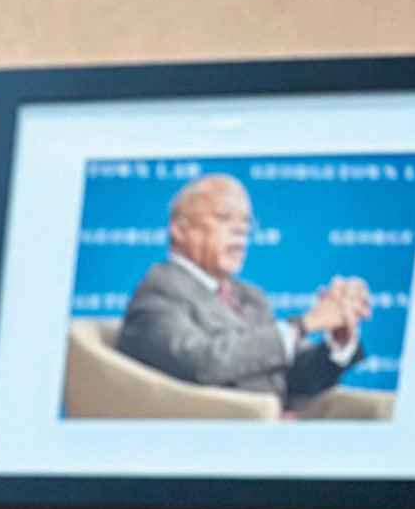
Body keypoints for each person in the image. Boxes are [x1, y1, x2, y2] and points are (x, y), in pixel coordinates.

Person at [114, 173, 369, 407]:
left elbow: (292, 379)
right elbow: (201, 364)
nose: (241, 231)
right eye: (224, 217)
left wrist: (337, 341)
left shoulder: (249, 296)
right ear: (180, 230)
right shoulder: (159, 290)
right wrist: (302, 324)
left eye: (246, 222)